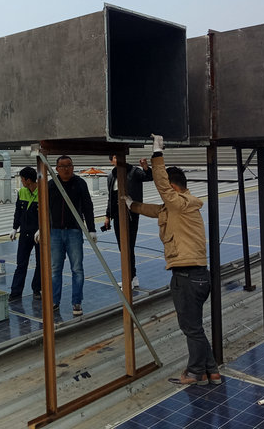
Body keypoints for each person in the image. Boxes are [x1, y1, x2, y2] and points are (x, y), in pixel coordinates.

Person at [127, 135, 221, 386]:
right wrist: (132, 205)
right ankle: (211, 371)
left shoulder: (179, 204)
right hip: (196, 276)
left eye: (168, 188)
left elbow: (162, 186)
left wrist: (157, 153)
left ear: (173, 186)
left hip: (187, 277)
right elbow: (156, 210)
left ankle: (194, 373)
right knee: (195, 327)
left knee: (191, 329)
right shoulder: (181, 207)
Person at [48, 155, 96, 316]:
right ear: (57, 169)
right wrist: (41, 228)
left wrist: (91, 229)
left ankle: (77, 302)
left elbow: (88, 206)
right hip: (55, 232)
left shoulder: (80, 183)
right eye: (63, 166)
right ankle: (54, 301)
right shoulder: (51, 185)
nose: (66, 169)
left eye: (69, 165)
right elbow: (43, 208)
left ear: (73, 167)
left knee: (77, 268)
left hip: (74, 231)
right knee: (55, 268)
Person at [103, 155, 152, 289]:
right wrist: (107, 215)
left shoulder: (134, 171)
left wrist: (145, 167)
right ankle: (132, 277)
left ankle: (129, 278)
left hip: (131, 215)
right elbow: (110, 198)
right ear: (111, 161)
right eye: (114, 157)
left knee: (128, 246)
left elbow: (149, 177)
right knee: (122, 247)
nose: (117, 159)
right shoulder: (111, 176)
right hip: (117, 215)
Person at [8, 166, 42, 302]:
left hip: (39, 235)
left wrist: (42, 229)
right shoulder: (22, 192)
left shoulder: (43, 192)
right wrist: (14, 228)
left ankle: (37, 289)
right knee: (21, 263)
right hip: (25, 234)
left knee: (41, 263)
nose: (21, 181)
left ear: (28, 180)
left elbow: (49, 213)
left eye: (22, 179)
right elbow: (18, 211)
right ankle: (15, 292)